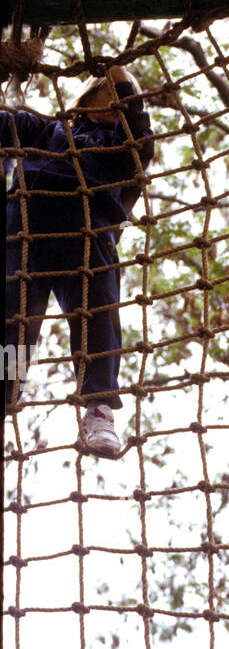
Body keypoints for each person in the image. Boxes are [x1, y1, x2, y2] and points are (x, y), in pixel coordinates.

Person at [2, 65, 154, 457]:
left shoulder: (119, 144)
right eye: (110, 93)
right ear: (86, 101)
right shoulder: (48, 130)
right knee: (13, 319)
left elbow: (141, 139)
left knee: (97, 313)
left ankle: (99, 409)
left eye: (125, 96)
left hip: (86, 233)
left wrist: (118, 72)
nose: (119, 101)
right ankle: (5, 390)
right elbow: (6, 125)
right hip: (25, 231)